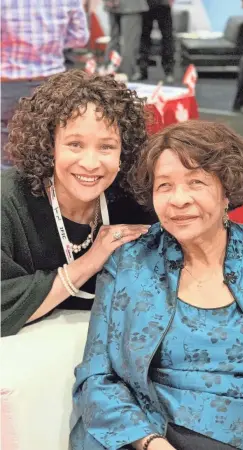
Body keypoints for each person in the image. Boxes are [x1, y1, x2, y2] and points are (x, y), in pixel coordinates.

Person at [71, 121, 243, 450]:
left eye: (196, 182)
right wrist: (150, 442)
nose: (178, 200)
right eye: (164, 186)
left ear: (227, 191)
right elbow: (96, 376)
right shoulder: (129, 263)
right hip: (155, 434)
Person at [1, 69, 156, 337]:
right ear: (49, 145)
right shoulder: (8, 201)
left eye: (106, 147)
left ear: (124, 150)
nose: (90, 163)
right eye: (75, 144)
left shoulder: (136, 197)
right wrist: (90, 262)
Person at [1, 0, 89, 167]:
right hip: (51, 82)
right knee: (48, 145)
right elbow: (79, 38)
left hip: (8, 82)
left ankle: (8, 191)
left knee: (7, 151)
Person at [132, 0, 175, 84]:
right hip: (147, 5)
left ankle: (169, 71)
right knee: (144, 37)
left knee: (167, 37)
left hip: (163, 4)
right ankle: (142, 70)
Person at [103, 0, 149, 80]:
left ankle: (110, 72)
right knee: (129, 42)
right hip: (131, 5)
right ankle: (126, 74)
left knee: (114, 39)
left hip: (114, 5)